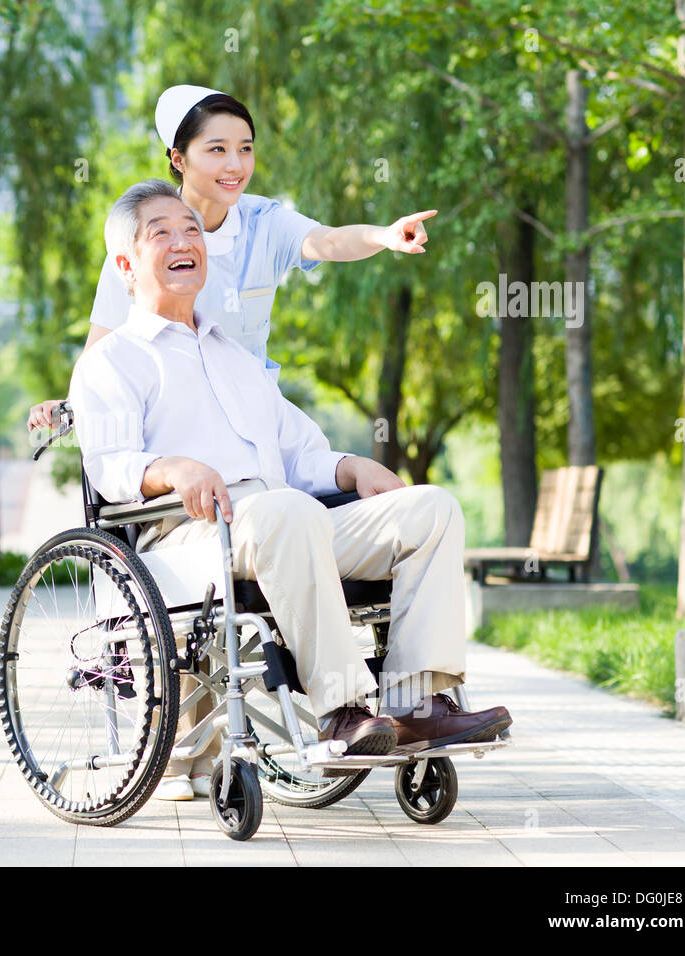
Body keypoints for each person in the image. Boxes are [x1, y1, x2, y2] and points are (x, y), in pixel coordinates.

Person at [68, 179, 511, 800]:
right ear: (125, 265)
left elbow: (301, 452)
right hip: (184, 539)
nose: (184, 240)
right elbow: (111, 466)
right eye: (161, 232)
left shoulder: (234, 356)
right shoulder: (111, 361)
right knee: (287, 511)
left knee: (430, 509)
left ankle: (416, 705)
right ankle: (342, 711)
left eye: (192, 229)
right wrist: (174, 469)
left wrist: (354, 468)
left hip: (282, 520)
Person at [28, 84, 437, 432]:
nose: (235, 165)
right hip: (175, 426)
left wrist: (383, 236)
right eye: (217, 149)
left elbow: (327, 242)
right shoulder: (143, 243)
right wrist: (68, 406)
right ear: (178, 159)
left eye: (245, 149)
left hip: (256, 420)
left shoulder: (265, 222)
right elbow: (100, 346)